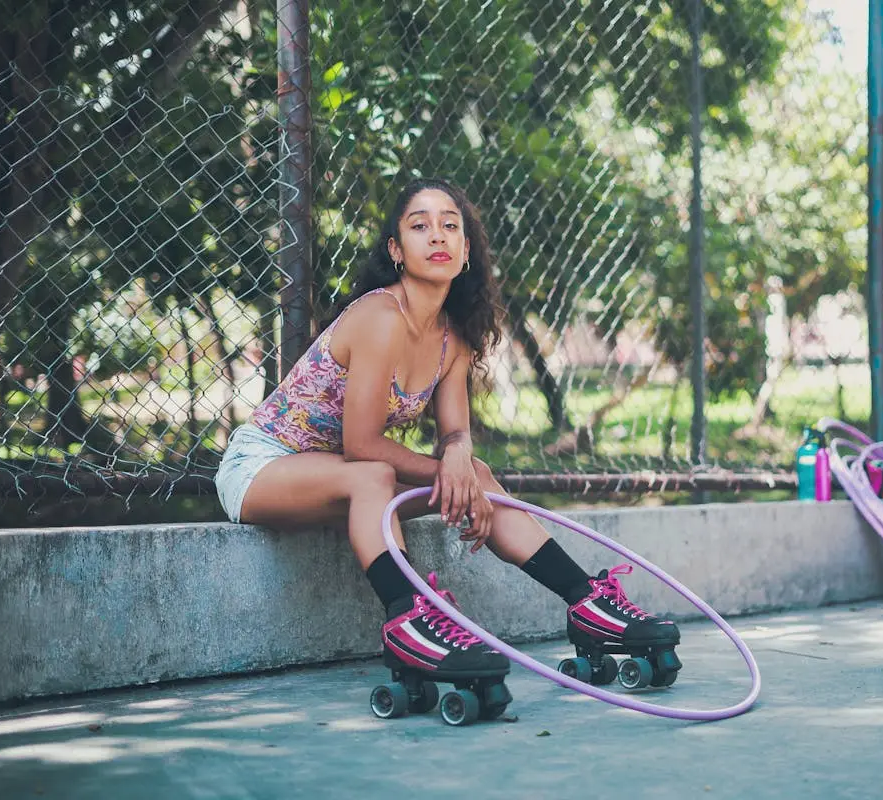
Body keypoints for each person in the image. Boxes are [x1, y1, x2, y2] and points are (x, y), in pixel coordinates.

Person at [214, 178, 679, 687]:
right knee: (373, 475)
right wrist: (448, 471)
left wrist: (460, 458)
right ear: (396, 250)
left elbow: (456, 432)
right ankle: (410, 621)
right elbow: (362, 445)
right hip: (264, 468)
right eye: (419, 226)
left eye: (449, 226)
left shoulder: (451, 339)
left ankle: (588, 603)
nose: (436, 235)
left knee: (474, 472)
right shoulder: (379, 316)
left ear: (464, 252)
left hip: (340, 479)